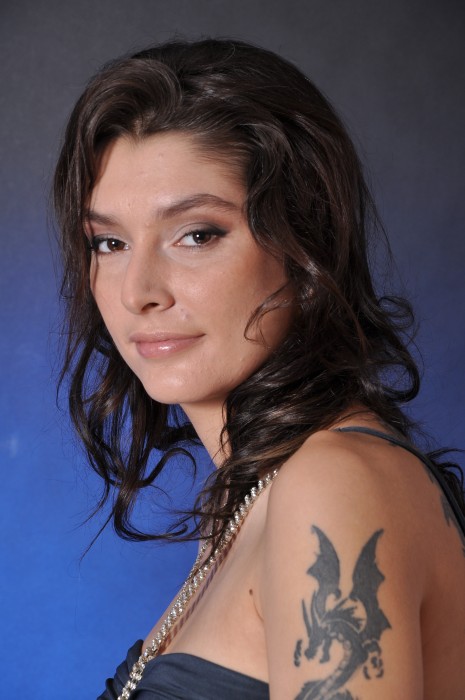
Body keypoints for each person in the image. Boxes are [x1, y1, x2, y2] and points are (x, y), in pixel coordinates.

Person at [53, 38, 465, 700]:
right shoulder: (248, 498)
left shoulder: (332, 483)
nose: (138, 291)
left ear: (305, 247)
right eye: (110, 242)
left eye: (197, 234)